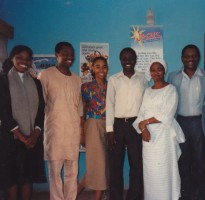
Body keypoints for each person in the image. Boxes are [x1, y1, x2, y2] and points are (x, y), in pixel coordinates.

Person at [133, 60, 185, 200]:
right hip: (148, 137)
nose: (156, 72)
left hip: (164, 135)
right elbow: (141, 113)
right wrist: (143, 128)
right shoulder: (147, 91)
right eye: (153, 70)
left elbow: (167, 114)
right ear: (150, 73)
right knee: (151, 171)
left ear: (164, 71)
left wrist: (146, 122)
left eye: (159, 69)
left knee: (165, 169)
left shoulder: (171, 89)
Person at [38, 42, 83, 200]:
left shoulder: (77, 80)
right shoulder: (46, 75)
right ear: (57, 54)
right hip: (55, 131)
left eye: (71, 54)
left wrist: (81, 130)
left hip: (72, 132)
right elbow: (40, 104)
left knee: (72, 171)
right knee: (55, 172)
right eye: (65, 53)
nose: (69, 57)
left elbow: (80, 109)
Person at [0, 45, 46, 200]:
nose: (24, 61)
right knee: (11, 178)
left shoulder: (36, 83)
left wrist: (36, 133)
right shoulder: (3, 80)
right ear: (12, 57)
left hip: (32, 138)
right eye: (19, 57)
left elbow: (41, 110)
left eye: (27, 58)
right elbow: (3, 112)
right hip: (10, 139)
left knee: (28, 176)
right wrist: (21, 136)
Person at [168, 44, 205, 200]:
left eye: (193, 56)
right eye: (187, 56)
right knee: (183, 163)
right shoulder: (173, 76)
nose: (190, 59)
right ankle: (185, 195)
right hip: (180, 123)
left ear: (198, 57)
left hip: (200, 124)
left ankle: (199, 196)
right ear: (182, 58)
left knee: (199, 164)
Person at [106, 47, 148, 200]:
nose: (128, 61)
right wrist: (109, 130)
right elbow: (109, 104)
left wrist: (143, 126)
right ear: (120, 60)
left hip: (135, 125)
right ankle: (116, 197)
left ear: (135, 60)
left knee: (136, 164)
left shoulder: (143, 79)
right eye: (124, 58)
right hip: (118, 125)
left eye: (131, 58)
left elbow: (145, 104)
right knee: (115, 164)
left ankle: (134, 196)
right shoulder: (114, 79)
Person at [77, 56, 109, 199]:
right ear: (92, 69)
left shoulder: (111, 85)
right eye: (97, 66)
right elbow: (81, 112)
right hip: (93, 125)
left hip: (109, 126)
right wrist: (81, 132)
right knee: (99, 163)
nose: (101, 69)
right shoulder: (86, 87)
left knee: (100, 164)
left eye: (104, 66)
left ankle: (72, 196)